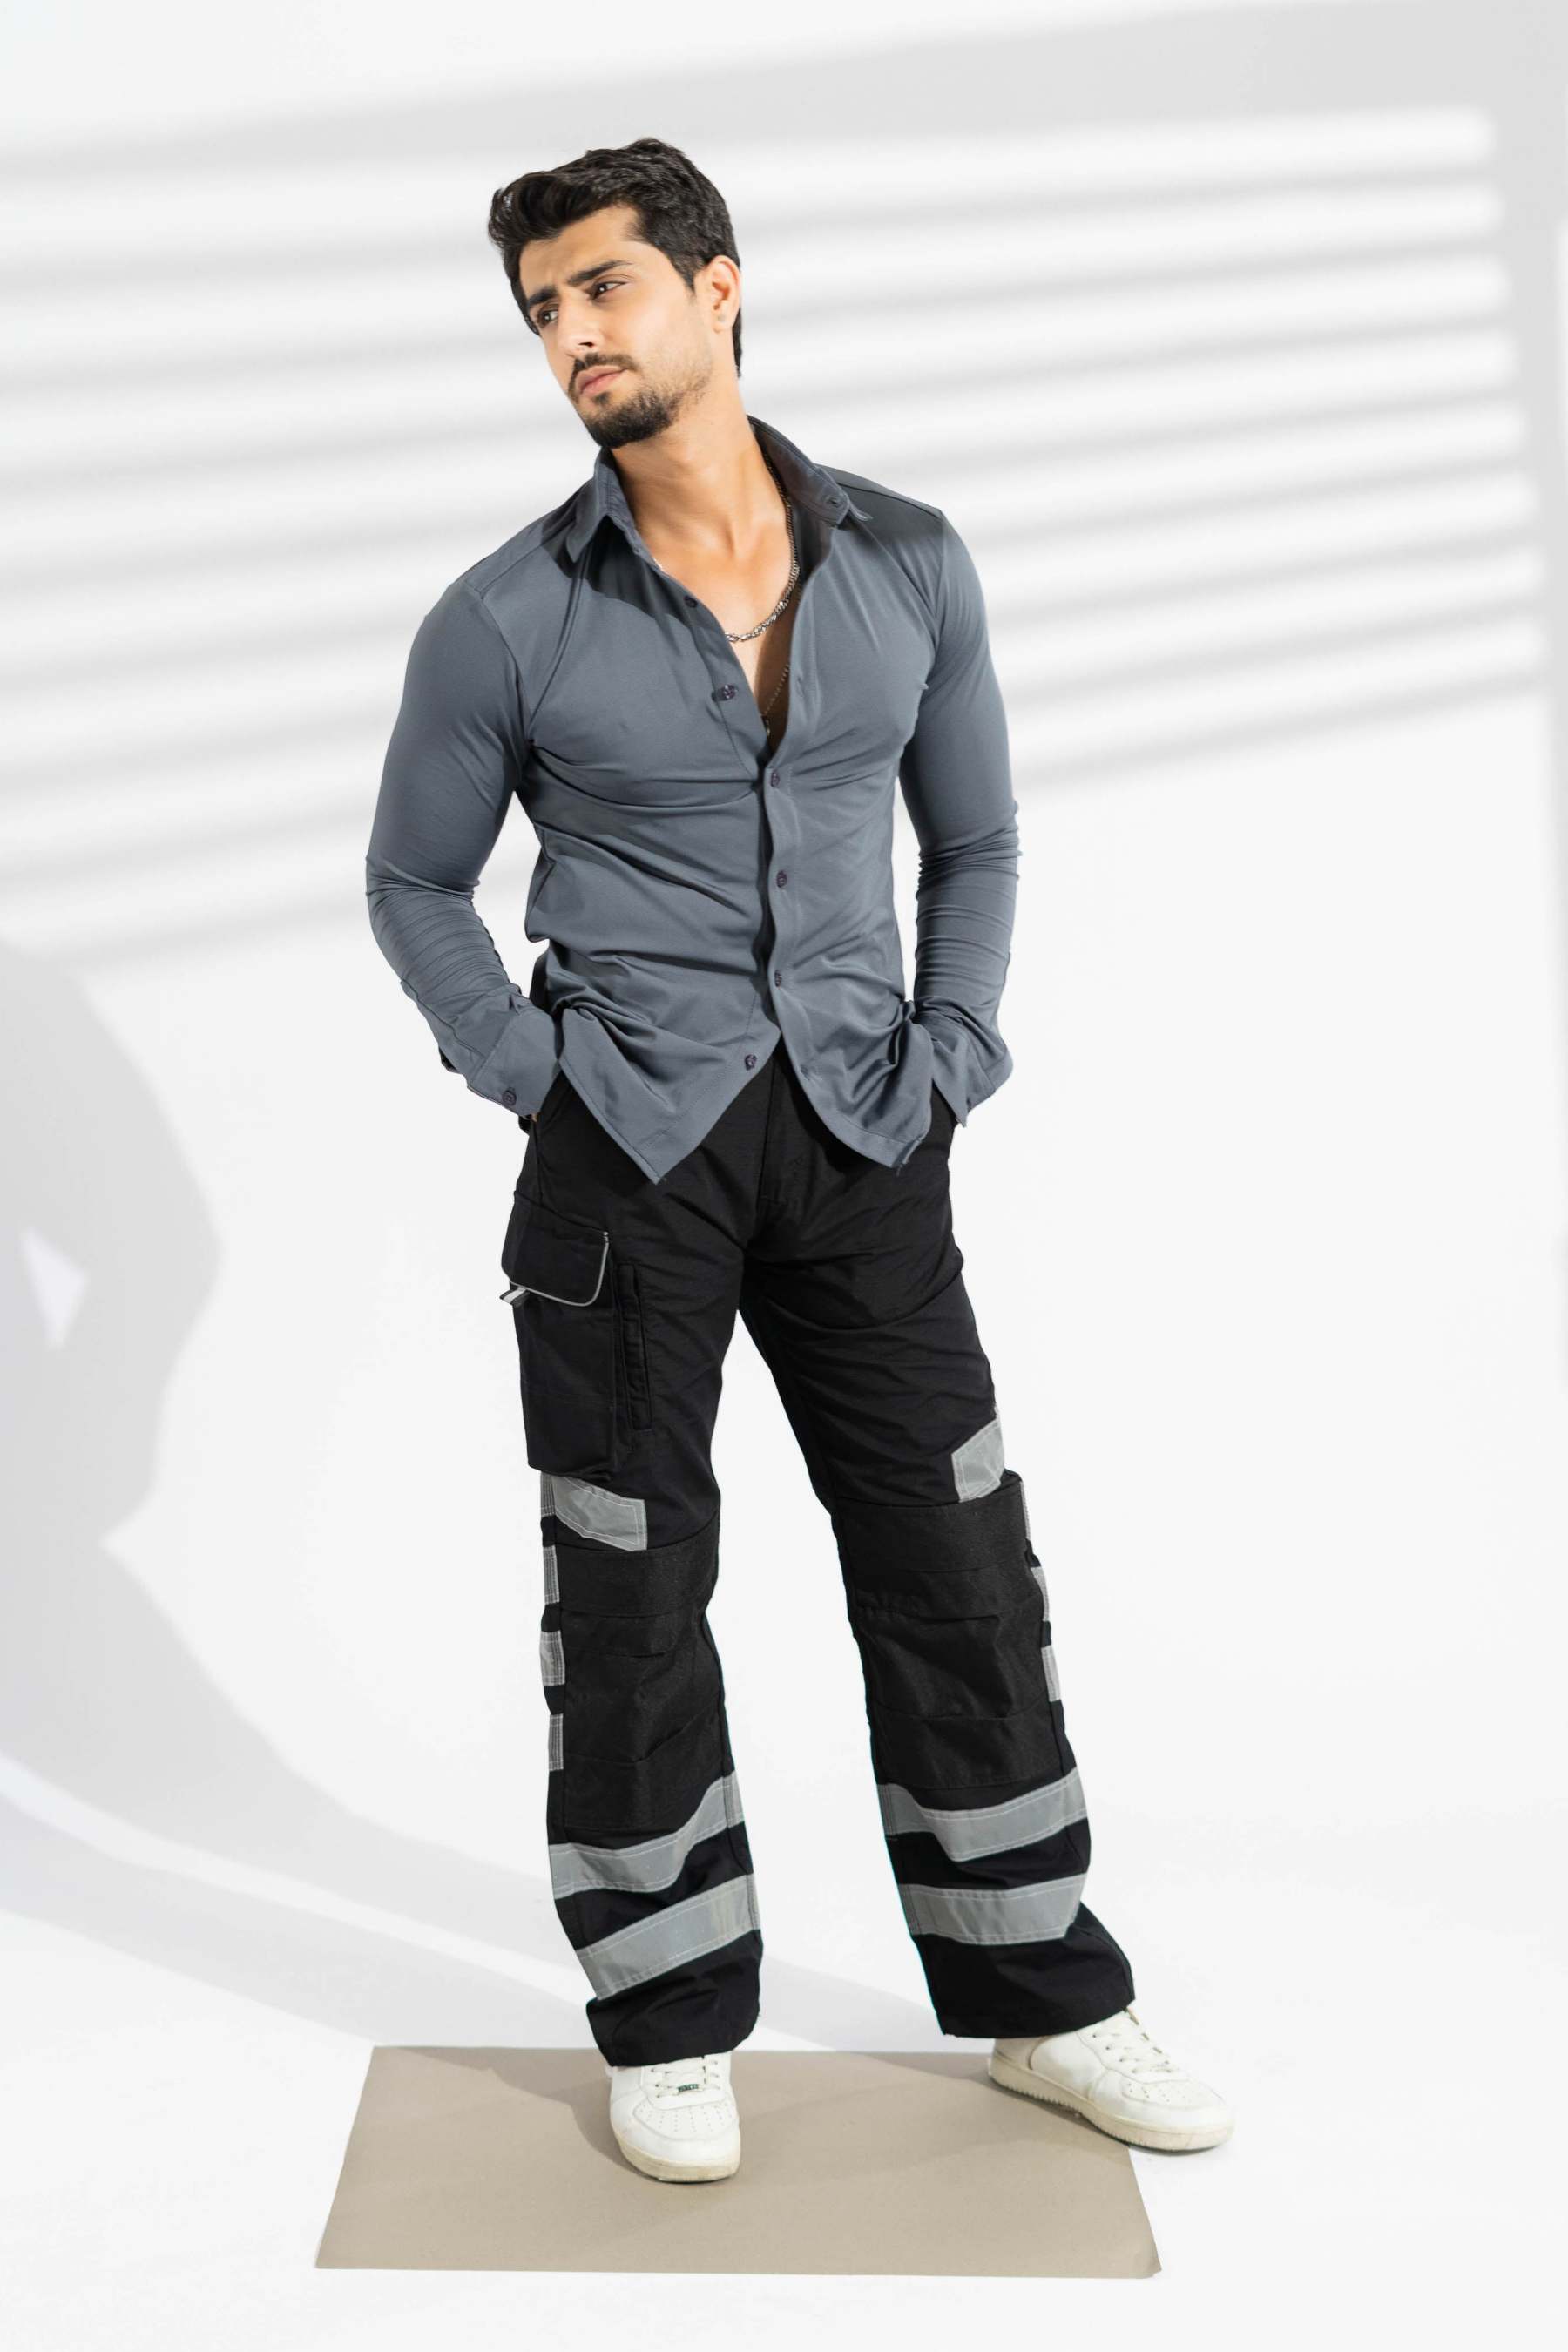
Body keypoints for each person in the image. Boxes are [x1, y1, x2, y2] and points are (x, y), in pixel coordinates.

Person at [366, 135, 1233, 2185]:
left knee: (957, 1555)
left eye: (604, 288)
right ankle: (668, 2024)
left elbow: (977, 836)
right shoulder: (503, 615)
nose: (572, 335)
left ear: (718, 286)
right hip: (627, 1161)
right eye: (542, 310)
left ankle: (1044, 1998)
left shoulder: (911, 562)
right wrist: (536, 1073)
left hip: (863, 1135)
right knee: (631, 1586)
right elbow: (413, 884)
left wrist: (957, 1044)